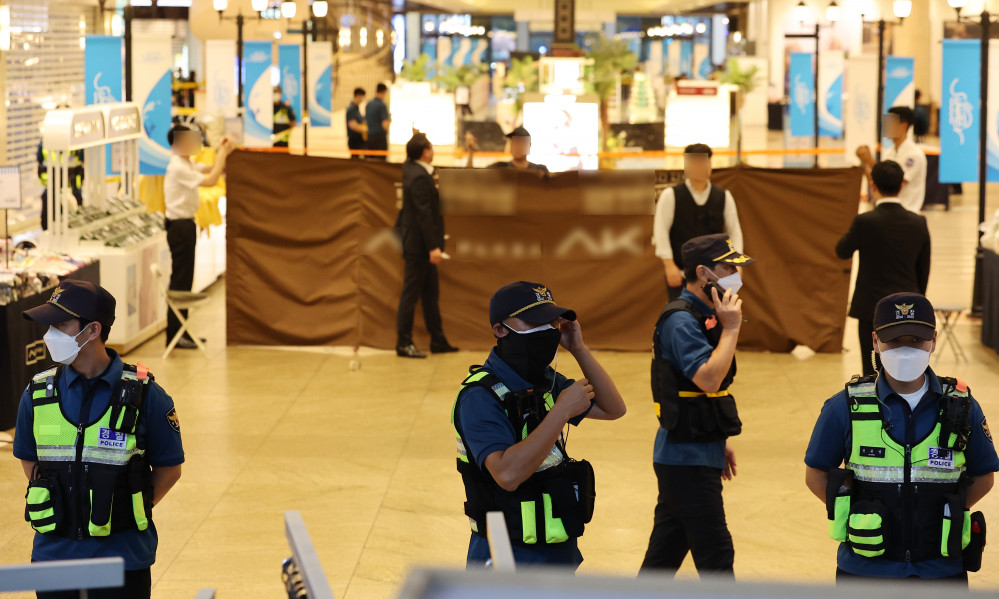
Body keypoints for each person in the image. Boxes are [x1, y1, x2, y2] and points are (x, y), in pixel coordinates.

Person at [804, 292, 997, 583]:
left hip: (940, 571)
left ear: (933, 339)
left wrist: (950, 511)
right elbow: (815, 472)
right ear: (875, 342)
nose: (906, 351)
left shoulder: (962, 405)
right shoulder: (845, 407)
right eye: (894, 341)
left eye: (916, 341)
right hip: (865, 571)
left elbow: (984, 476)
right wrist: (854, 512)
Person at [13, 280, 184, 599]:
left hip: (122, 559)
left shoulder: (146, 396)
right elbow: (29, 458)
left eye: (61, 324)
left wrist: (122, 507)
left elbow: (169, 468)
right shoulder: (37, 394)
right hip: (54, 558)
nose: (50, 333)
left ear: (92, 330)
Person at [452, 281, 626, 567]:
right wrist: (560, 412)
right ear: (500, 330)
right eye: (534, 321)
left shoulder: (546, 380)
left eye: (552, 321)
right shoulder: (479, 396)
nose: (548, 330)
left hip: (555, 547)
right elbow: (507, 475)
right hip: (506, 553)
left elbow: (613, 408)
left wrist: (579, 349)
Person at [640, 233, 754, 578]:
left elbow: (701, 395)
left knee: (664, 556)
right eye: (728, 267)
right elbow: (708, 379)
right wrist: (731, 329)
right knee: (716, 556)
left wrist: (717, 440)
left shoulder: (704, 313)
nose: (738, 276)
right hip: (684, 461)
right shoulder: (681, 321)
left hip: (694, 450)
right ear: (703, 273)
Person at [836, 160, 930, 376]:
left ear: (872, 184)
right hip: (908, 310)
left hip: (871, 309)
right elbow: (923, 270)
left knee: (872, 372)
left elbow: (841, 250)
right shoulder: (918, 222)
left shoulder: (865, 221)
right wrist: (917, 299)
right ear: (901, 186)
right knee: (907, 372)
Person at [164, 125, 233, 349]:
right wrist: (223, 154)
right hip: (180, 227)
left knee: (185, 281)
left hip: (185, 225)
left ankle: (182, 332)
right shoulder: (177, 167)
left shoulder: (187, 163)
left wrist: (222, 152)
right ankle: (176, 335)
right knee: (181, 281)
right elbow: (212, 179)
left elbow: (211, 168)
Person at [653, 143, 744, 300]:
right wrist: (669, 265)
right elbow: (660, 231)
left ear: (709, 164)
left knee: (714, 318)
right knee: (683, 315)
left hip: (716, 275)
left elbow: (734, 231)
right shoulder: (671, 195)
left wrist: (736, 264)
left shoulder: (723, 196)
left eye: (703, 162)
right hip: (682, 273)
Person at [395, 133, 456, 358]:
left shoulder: (411, 169)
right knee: (410, 295)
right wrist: (433, 247)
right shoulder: (419, 176)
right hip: (419, 248)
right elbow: (424, 215)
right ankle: (403, 343)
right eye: (431, 147)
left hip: (418, 245)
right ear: (425, 152)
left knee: (430, 294)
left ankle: (437, 340)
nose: (433, 150)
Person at [856, 106, 927, 213]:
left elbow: (892, 182)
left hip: (907, 212)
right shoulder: (890, 152)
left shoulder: (913, 155)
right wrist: (865, 162)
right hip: (887, 211)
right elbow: (876, 181)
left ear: (904, 126)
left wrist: (871, 161)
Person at [365, 82, 391, 161]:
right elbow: (385, 126)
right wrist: (389, 120)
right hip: (379, 139)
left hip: (369, 137)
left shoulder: (368, 104)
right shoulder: (382, 106)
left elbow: (366, 121)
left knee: (370, 163)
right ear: (384, 92)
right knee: (380, 164)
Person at [346, 87, 367, 158]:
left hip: (358, 139)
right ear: (358, 96)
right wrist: (366, 131)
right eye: (362, 97)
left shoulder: (356, 108)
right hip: (355, 140)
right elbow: (352, 125)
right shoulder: (351, 109)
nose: (363, 99)